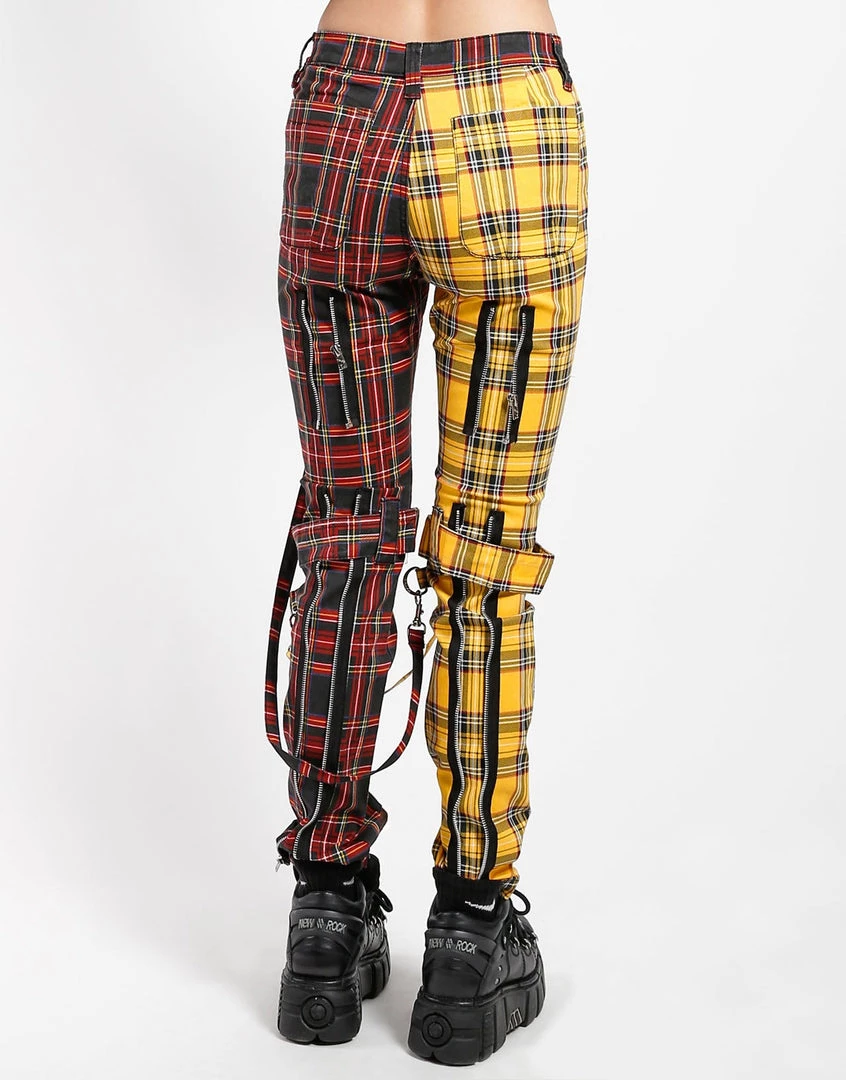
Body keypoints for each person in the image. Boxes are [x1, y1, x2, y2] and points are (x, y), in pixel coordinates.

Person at [264, 0, 589, 1063]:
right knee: (485, 560)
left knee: (347, 543)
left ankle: (326, 907)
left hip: (343, 115)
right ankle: (472, 929)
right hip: (511, 116)